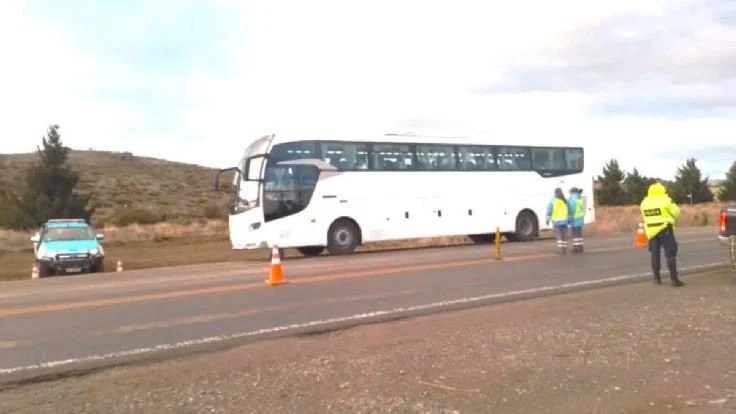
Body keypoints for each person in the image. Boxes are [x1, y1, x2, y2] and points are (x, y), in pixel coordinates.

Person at [640, 182, 684, 286]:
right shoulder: (666, 200)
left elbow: (643, 216)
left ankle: (656, 278)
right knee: (670, 254)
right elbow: (676, 212)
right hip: (665, 229)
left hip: (651, 231)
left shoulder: (644, 202)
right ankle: (674, 279)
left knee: (654, 255)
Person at [546, 188, 571, 254]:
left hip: (557, 221)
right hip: (564, 221)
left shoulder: (553, 201)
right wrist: (569, 219)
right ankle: (564, 249)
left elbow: (549, 211)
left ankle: (560, 250)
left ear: (555, 193)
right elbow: (569, 211)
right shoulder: (565, 201)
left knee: (559, 235)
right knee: (564, 235)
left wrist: (547, 219)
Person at [568, 187, 586, 253]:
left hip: (574, 219)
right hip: (580, 219)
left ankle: (576, 248)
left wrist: (569, 219)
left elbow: (571, 210)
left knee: (575, 235)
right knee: (579, 234)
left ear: (572, 192)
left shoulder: (572, 199)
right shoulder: (580, 199)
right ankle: (580, 247)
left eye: (570, 192)